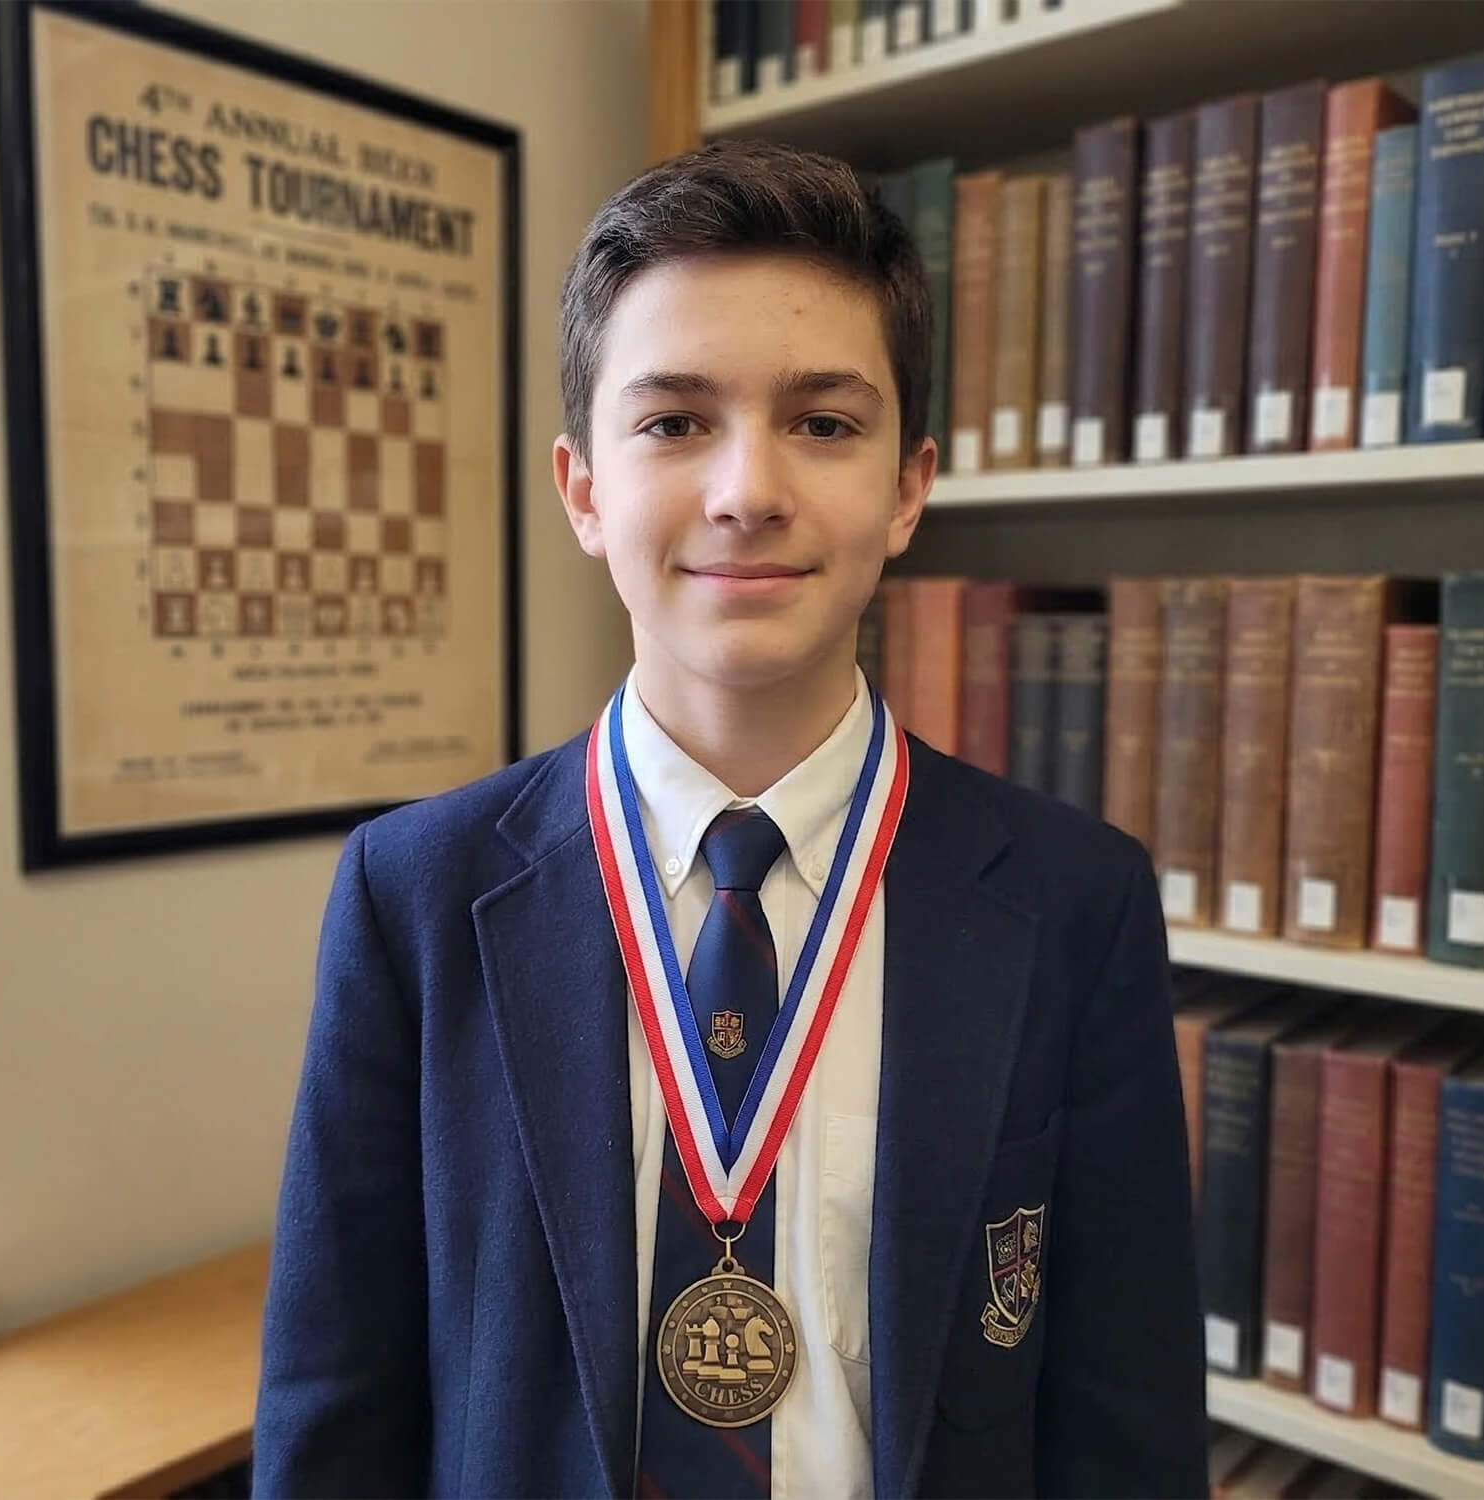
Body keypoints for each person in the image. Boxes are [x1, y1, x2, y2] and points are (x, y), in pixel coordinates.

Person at [252, 137, 1206, 1499]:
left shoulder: (1072, 901)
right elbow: (336, 1409)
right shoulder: (414, 894)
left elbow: (1127, 1424)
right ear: (585, 489)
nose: (747, 490)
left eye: (823, 424)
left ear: (909, 487)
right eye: (674, 422)